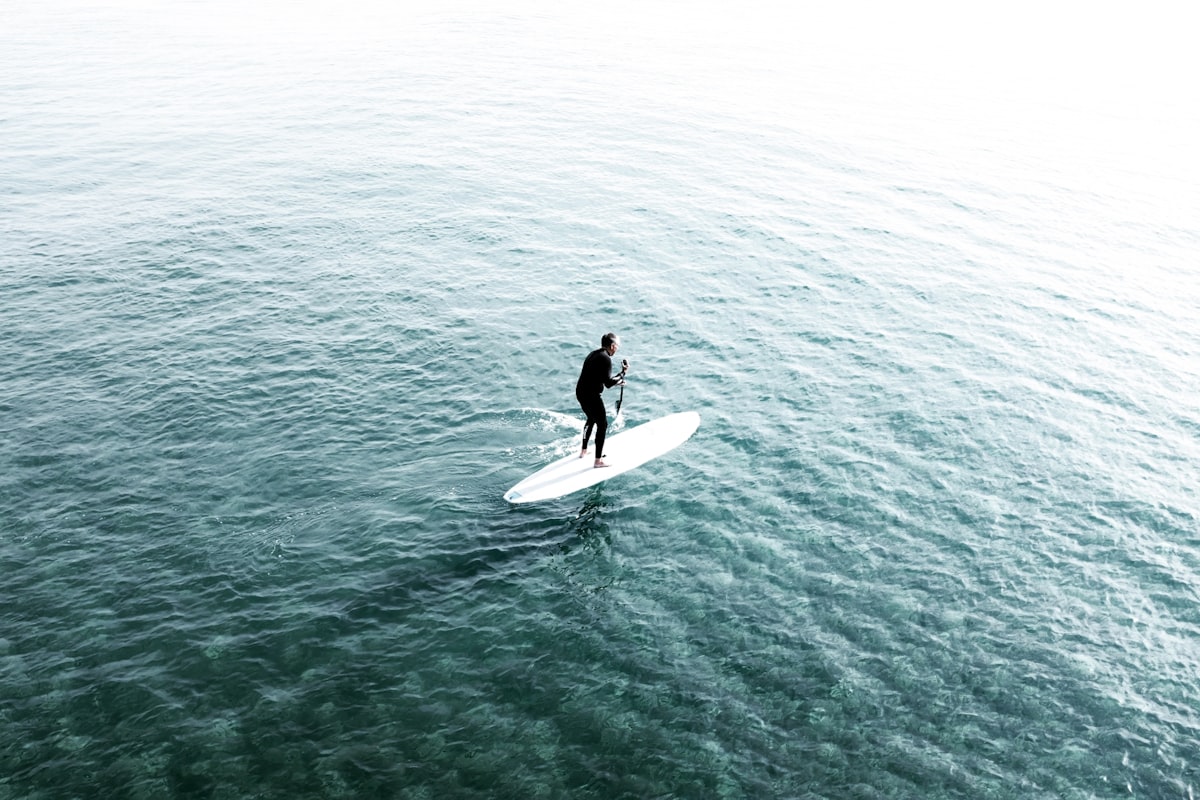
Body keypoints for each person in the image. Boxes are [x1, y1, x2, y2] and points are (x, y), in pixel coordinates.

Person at [575, 332, 628, 468]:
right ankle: (598, 461)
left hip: (580, 393)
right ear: (612, 345)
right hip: (591, 396)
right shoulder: (605, 359)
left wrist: (619, 378)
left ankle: (583, 451)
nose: (617, 348)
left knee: (591, 419)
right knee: (602, 425)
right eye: (617, 346)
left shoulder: (594, 354)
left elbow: (602, 378)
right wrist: (622, 374)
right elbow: (609, 383)